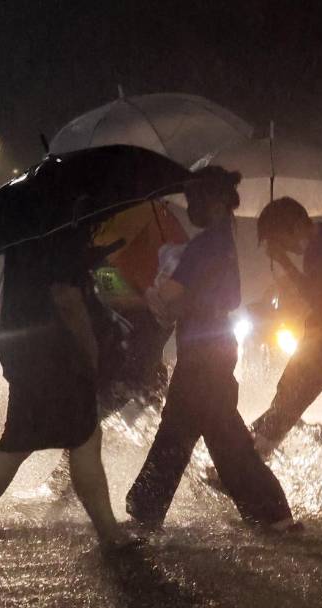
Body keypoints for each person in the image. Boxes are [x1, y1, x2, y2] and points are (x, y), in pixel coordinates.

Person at [125, 167, 299, 533]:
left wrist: (153, 293)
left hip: (202, 351)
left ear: (215, 201)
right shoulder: (224, 242)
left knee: (198, 431)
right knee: (207, 430)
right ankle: (270, 511)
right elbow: (231, 296)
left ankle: (147, 508)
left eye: (195, 200)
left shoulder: (204, 246)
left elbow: (171, 296)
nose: (190, 208)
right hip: (215, 346)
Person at [0, 224, 133, 548]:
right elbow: (66, 296)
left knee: (31, 439)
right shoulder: (63, 230)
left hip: (26, 351)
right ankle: (109, 533)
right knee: (77, 437)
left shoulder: (27, 236)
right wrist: (91, 350)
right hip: (56, 355)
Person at [244, 196, 322, 517]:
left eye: (278, 241)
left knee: (287, 406)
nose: (283, 250)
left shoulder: (321, 251)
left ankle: (240, 471)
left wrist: (287, 266)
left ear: (291, 228)